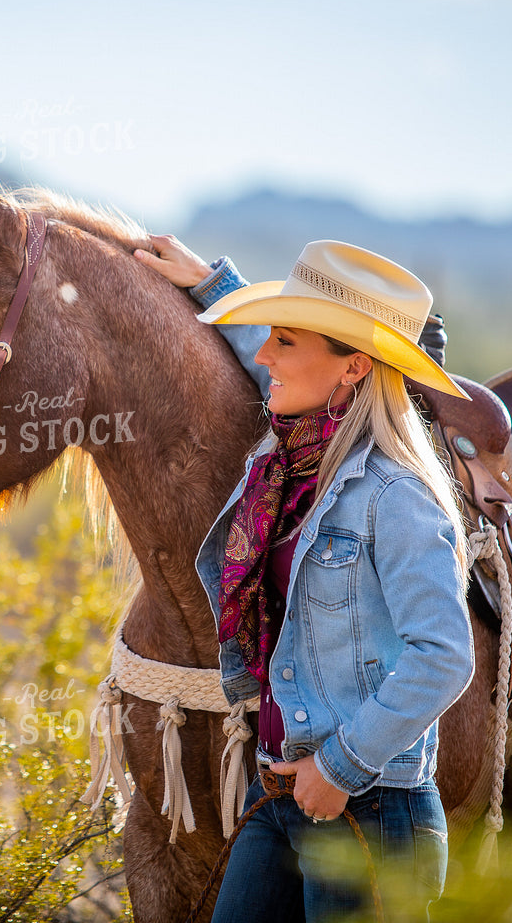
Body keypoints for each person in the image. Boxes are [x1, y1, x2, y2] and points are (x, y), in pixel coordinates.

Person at [131, 236, 475, 922]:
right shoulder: (293, 460)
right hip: (280, 791)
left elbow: (444, 655)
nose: (265, 356)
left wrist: (340, 766)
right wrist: (212, 284)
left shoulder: (395, 498)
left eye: (284, 340)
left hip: (369, 805)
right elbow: (270, 366)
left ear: (354, 367)